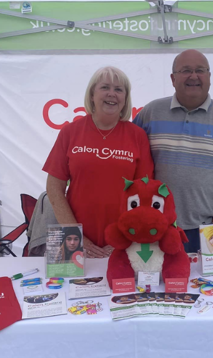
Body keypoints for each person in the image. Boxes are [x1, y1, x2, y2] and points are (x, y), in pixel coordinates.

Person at [133, 49, 213, 253]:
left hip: (207, 229)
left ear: (209, 77)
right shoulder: (150, 113)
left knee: (207, 285)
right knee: (154, 284)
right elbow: (131, 162)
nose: (193, 76)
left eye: (200, 70)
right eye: (186, 70)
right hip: (155, 225)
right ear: (173, 78)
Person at [43, 67, 154, 258]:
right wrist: (77, 238)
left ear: (125, 99)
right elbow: (54, 187)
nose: (112, 94)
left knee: (123, 287)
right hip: (74, 242)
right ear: (92, 94)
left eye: (119, 89)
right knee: (72, 287)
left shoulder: (137, 135)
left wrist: (126, 237)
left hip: (123, 241)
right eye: (105, 87)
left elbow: (144, 193)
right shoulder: (70, 132)